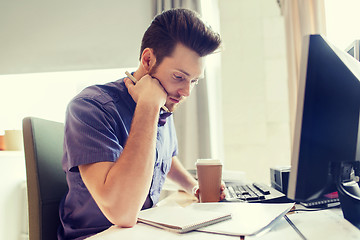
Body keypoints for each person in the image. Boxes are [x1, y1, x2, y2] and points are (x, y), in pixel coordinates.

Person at [57, 8, 225, 240]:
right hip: (96, 235)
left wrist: (193, 187)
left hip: (142, 230)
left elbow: (165, 159)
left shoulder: (164, 103)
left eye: (193, 81)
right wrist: (147, 106)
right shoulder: (90, 107)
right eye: (179, 77)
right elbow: (122, 213)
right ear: (148, 59)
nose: (186, 91)